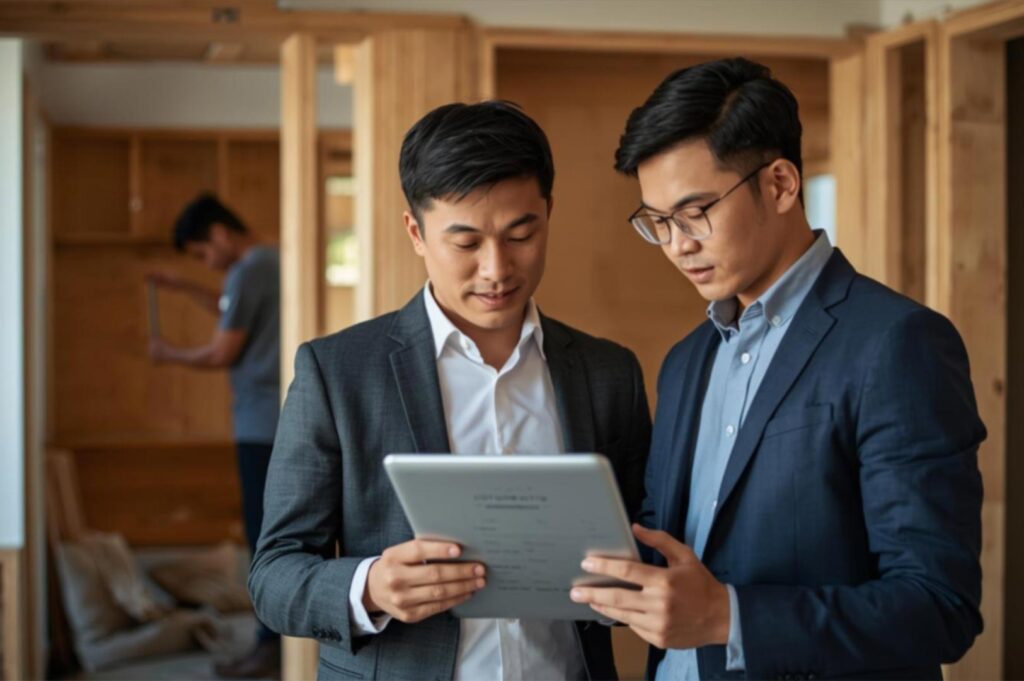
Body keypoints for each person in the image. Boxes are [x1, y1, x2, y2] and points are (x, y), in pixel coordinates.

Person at [568, 57, 986, 680]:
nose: (678, 244)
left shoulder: (898, 344)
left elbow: (938, 606)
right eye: (658, 222)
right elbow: (667, 547)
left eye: (696, 211)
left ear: (782, 184)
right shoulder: (685, 361)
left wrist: (729, 618)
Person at [248, 100, 652, 681]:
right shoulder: (337, 372)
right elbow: (273, 577)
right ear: (416, 232)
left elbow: (647, 544)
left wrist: (629, 582)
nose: (496, 269)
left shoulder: (608, 373)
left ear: (549, 213)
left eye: (522, 234)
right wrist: (370, 587)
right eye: (466, 243)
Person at [148, 193, 281, 678]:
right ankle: (277, 642)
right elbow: (230, 312)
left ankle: (270, 645)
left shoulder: (249, 270)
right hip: (275, 421)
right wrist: (184, 287)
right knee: (273, 533)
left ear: (221, 234)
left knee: (262, 536)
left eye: (202, 252)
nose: (206, 262)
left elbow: (222, 350)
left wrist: (169, 354)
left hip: (260, 424)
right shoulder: (270, 264)